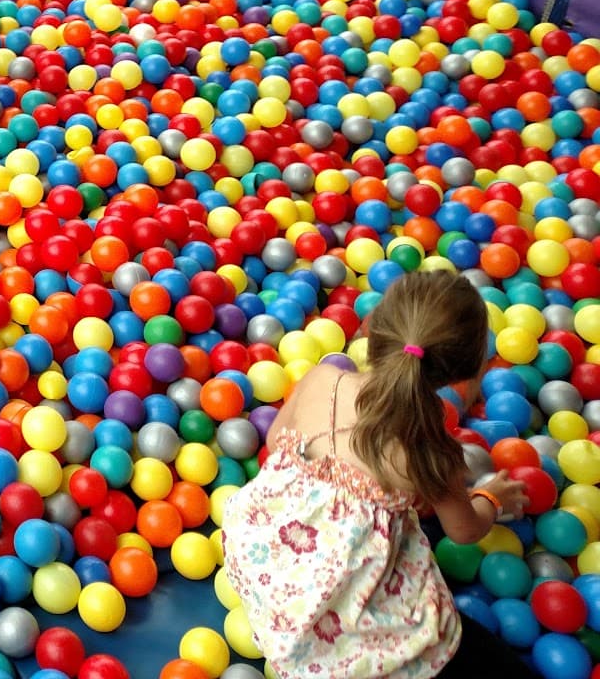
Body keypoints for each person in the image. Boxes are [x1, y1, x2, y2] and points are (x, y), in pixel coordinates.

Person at [222, 269, 535, 679]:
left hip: (266, 561)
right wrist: (491, 498)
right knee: (446, 643)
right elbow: (464, 530)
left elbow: (278, 439)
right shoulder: (429, 448)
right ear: (465, 370)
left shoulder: (323, 379)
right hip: (337, 620)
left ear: (374, 328)